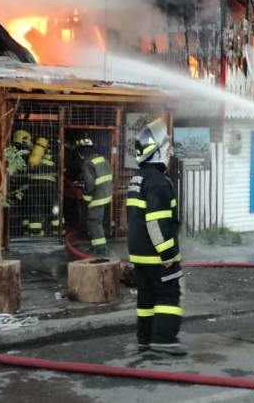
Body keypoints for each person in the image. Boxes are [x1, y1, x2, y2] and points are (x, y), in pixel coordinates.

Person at [127, 118, 185, 356]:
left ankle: (145, 340)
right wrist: (168, 254)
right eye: (167, 148)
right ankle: (164, 339)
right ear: (158, 152)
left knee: (146, 298)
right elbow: (156, 222)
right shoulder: (158, 182)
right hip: (158, 257)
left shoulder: (138, 178)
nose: (170, 153)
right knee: (168, 294)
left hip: (141, 256)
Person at [72, 138, 113, 255]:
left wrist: (86, 197)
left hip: (97, 197)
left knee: (93, 221)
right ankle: (97, 246)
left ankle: (100, 249)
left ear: (82, 152)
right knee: (98, 221)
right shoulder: (102, 159)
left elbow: (89, 184)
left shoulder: (87, 163)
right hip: (106, 194)